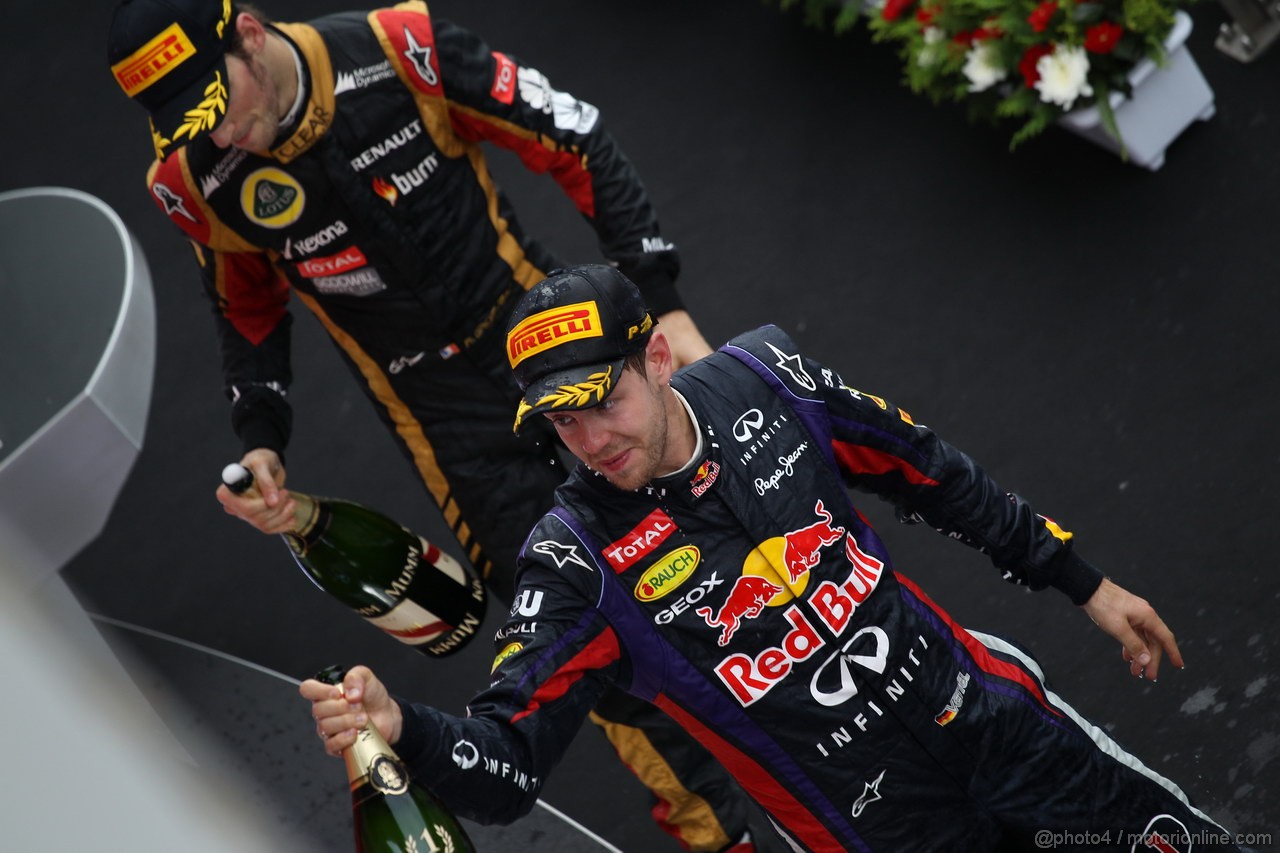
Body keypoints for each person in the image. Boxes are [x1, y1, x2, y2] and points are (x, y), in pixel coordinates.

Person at [106, 2, 771, 851]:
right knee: (592, 644)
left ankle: (846, 747)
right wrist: (261, 435)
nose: (224, 131)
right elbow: (243, 306)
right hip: (447, 433)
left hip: (559, 353)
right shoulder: (191, 180)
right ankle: (723, 837)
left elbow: (576, 136)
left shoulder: (398, 48)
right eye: (192, 123)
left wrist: (664, 304)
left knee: (724, 547)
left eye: (219, 101)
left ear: (251, 33)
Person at [302, 265, 1249, 852]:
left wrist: (1082, 580)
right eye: (558, 420)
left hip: (995, 720)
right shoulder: (573, 564)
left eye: (603, 399)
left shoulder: (765, 374)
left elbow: (925, 470)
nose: (588, 439)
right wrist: (408, 731)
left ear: (659, 360)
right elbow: (505, 768)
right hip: (868, 830)